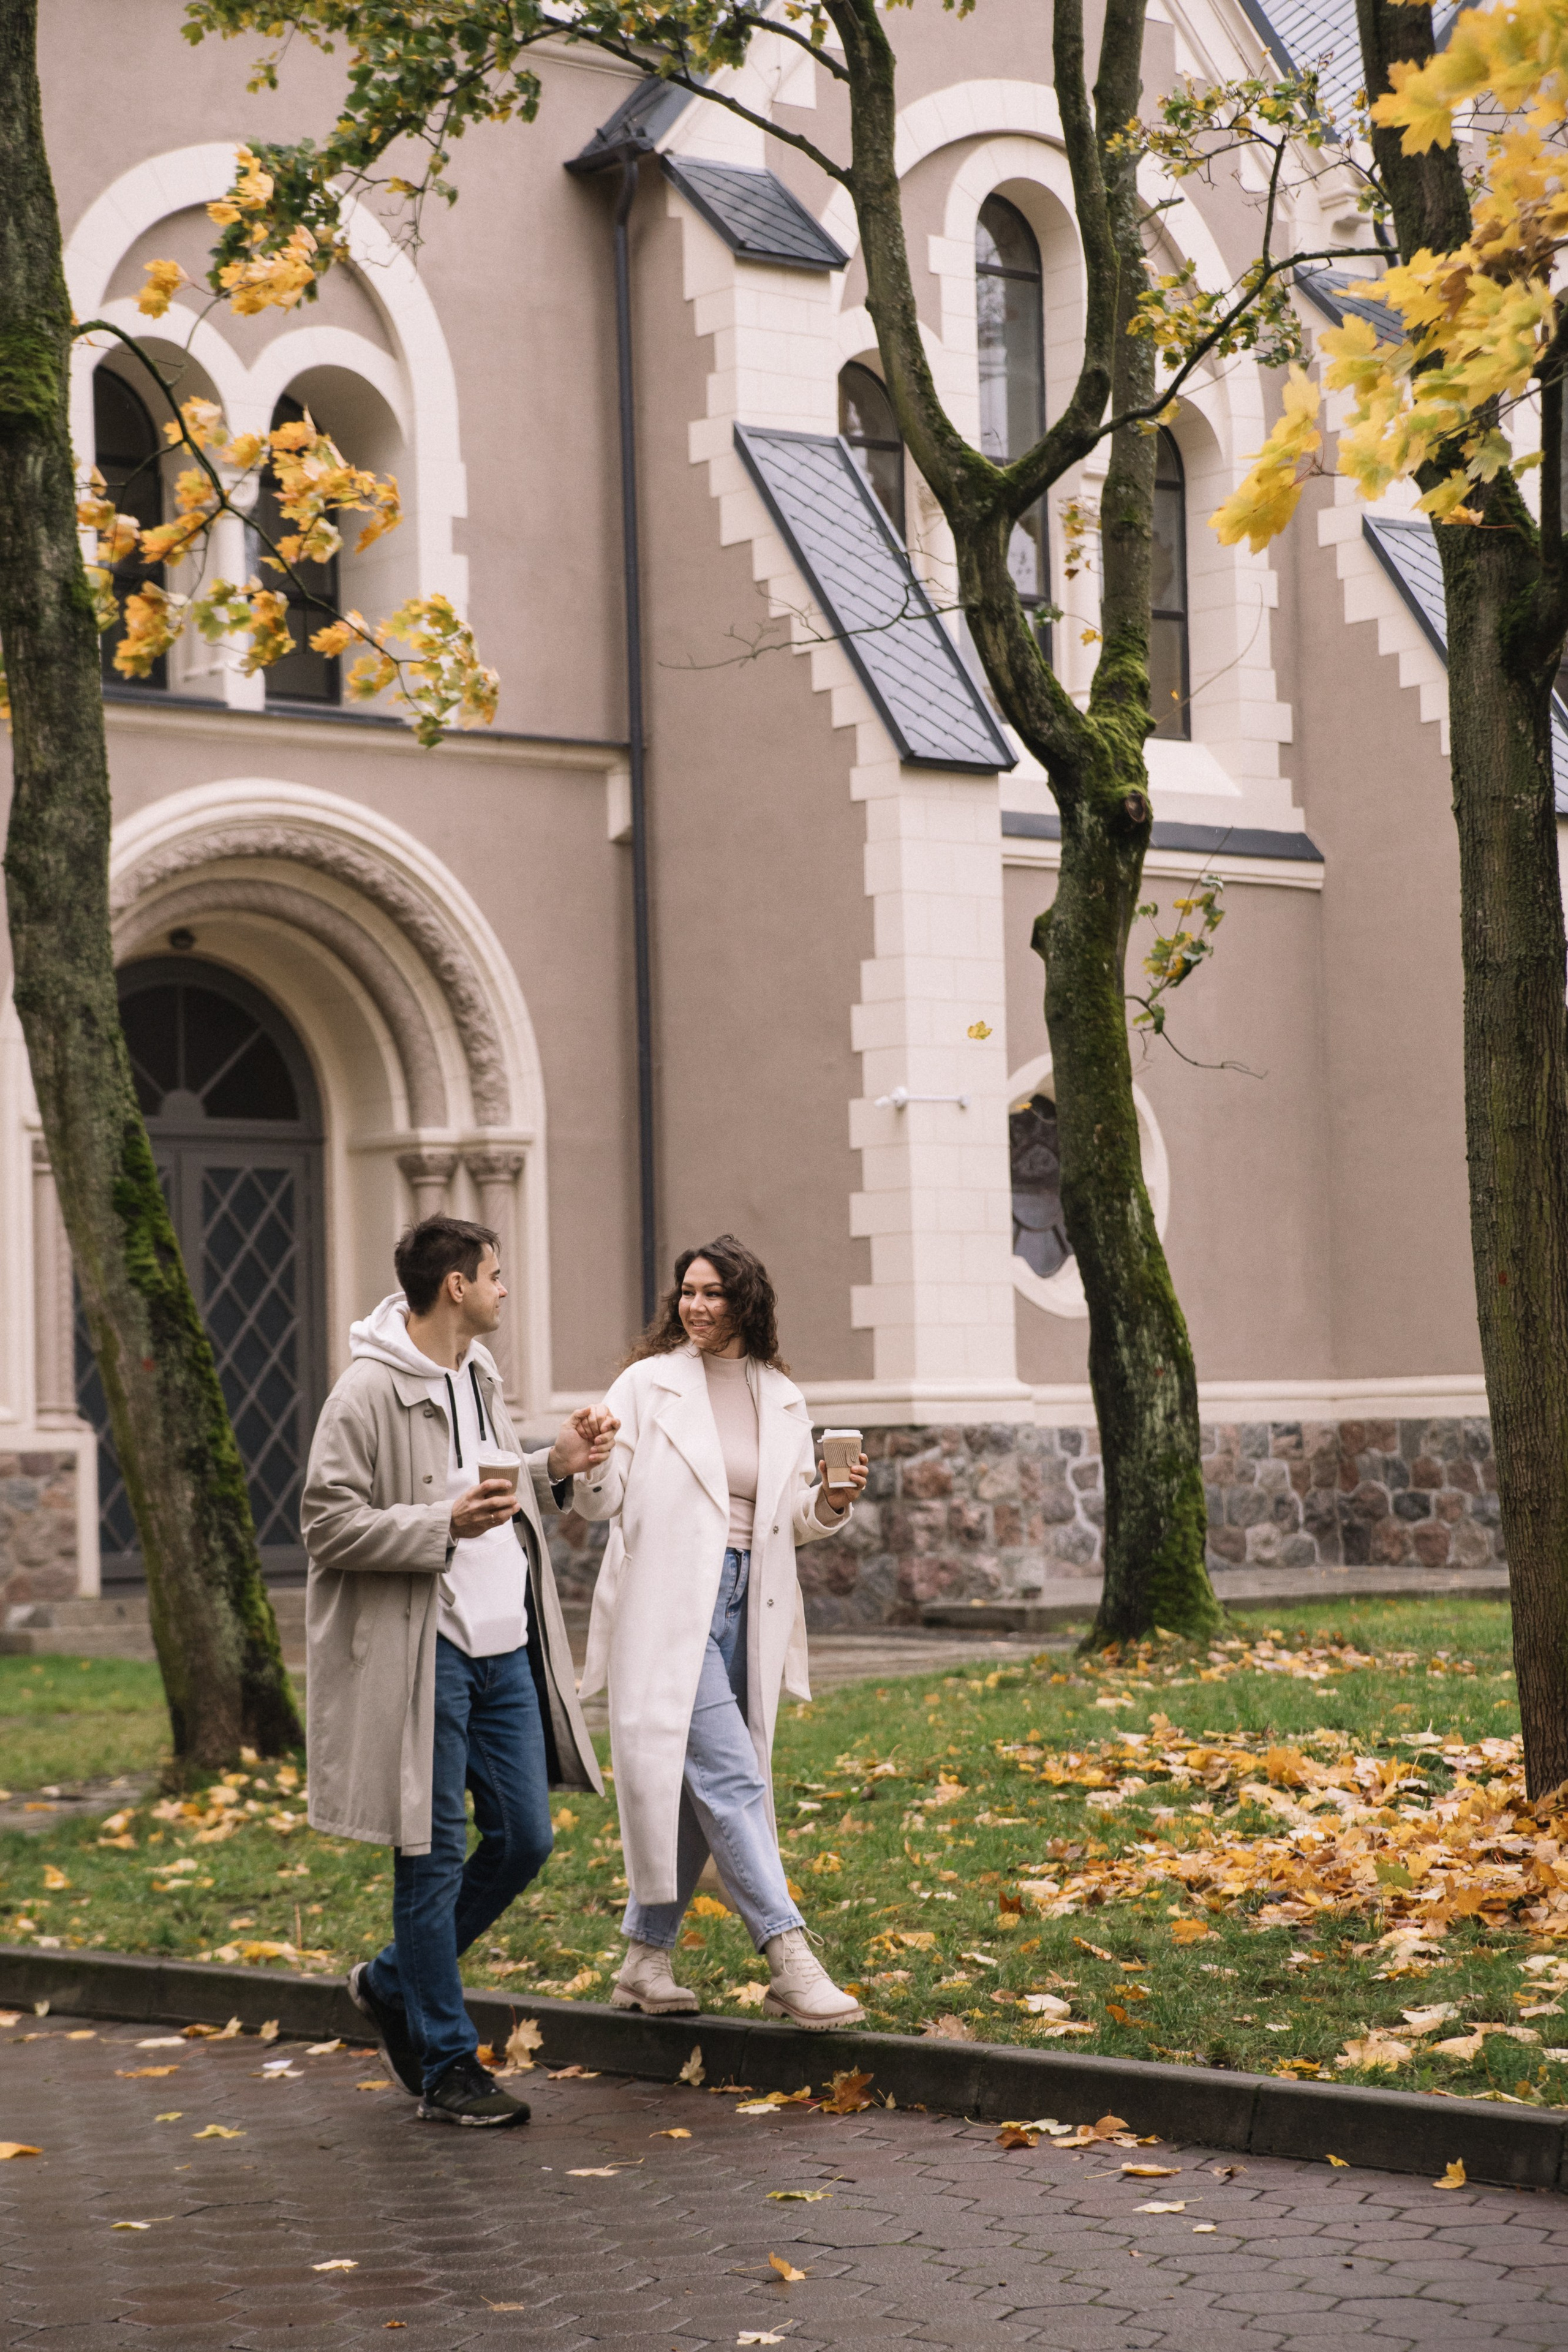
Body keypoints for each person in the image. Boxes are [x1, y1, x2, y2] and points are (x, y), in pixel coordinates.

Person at [301, 1215, 612, 2127]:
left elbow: (491, 1494)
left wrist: (555, 1464)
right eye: (495, 1274)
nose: (505, 1288)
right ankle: (446, 2064)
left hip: (503, 1648)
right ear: (456, 1286)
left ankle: (391, 1982)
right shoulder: (366, 1392)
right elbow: (325, 1523)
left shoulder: (478, 1373)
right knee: (431, 1856)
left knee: (525, 1839)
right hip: (424, 1653)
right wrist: (440, 1525)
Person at [575, 1233, 869, 2027]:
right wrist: (591, 1459)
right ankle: (789, 1957)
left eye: (712, 1293)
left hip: (751, 1600)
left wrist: (831, 1502)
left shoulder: (781, 1396)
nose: (696, 1306)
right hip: (669, 1604)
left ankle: (644, 1961)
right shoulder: (647, 1385)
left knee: (693, 1787)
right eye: (687, 1292)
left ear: (746, 1301)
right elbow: (603, 1501)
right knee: (733, 1777)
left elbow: (791, 1518)